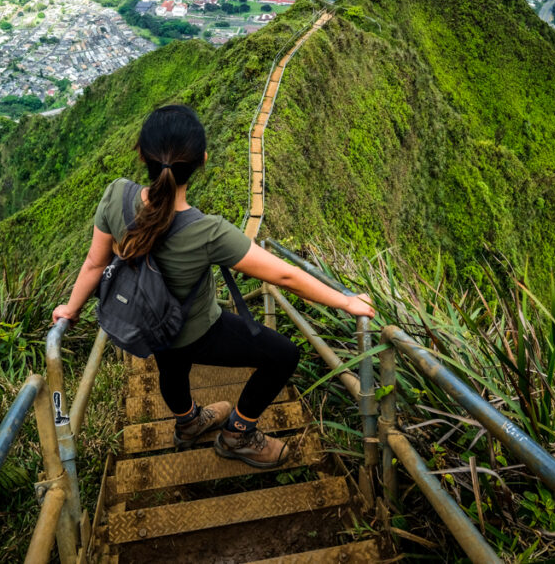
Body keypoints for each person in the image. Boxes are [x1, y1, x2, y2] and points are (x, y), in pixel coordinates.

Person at [52, 104, 374, 469]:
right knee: (283, 355)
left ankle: (189, 423)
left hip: (147, 324)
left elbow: (94, 263)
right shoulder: (208, 232)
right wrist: (346, 302)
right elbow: (284, 275)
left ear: (141, 153)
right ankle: (238, 434)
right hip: (197, 330)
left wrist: (71, 309)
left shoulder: (116, 195)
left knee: (172, 369)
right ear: (203, 160)